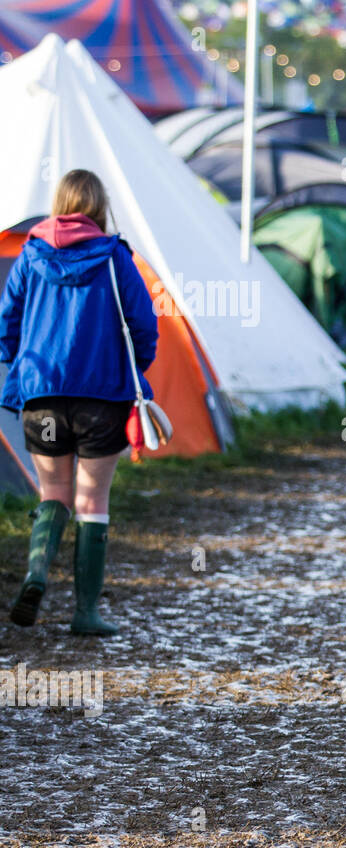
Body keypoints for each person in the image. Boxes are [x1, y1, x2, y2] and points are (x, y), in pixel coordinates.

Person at [0, 169, 158, 634]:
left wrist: (18, 360)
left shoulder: (30, 254)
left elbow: (6, 321)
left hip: (42, 397)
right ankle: (86, 613)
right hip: (101, 399)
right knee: (92, 500)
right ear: (97, 206)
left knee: (53, 494)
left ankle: (35, 574)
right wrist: (134, 371)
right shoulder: (114, 257)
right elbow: (144, 324)